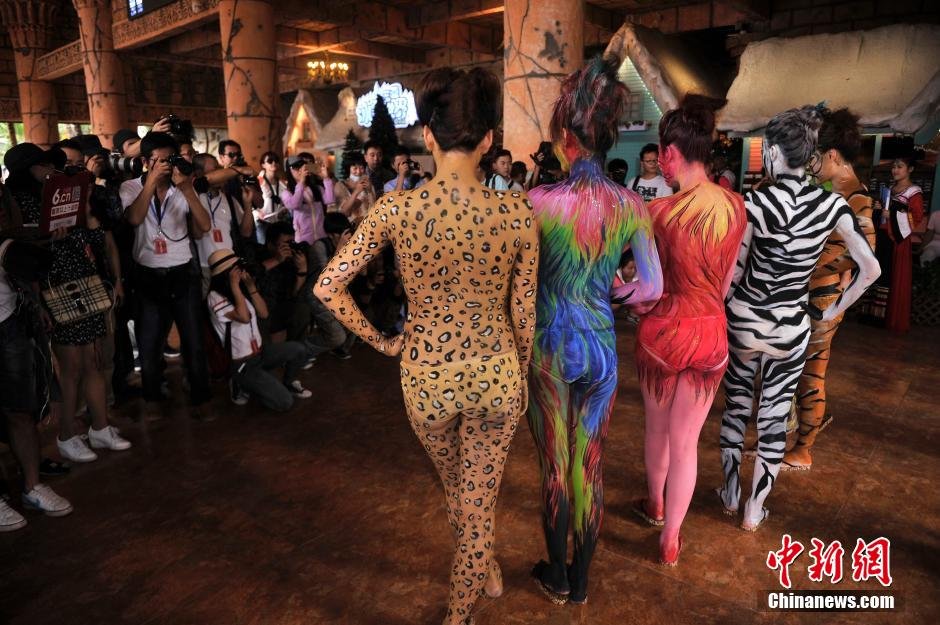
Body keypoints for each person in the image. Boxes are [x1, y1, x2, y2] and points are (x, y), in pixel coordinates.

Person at [314, 66, 538, 625]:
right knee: (477, 498)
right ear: (488, 141)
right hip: (495, 373)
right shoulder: (516, 212)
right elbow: (524, 312)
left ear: (429, 137)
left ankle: (474, 582)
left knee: (459, 492)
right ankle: (469, 595)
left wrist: (383, 342)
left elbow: (327, 286)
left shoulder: (396, 209)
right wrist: (521, 371)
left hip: (427, 376)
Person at [526, 57, 663, 605]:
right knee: (590, 465)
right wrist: (610, 295)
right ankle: (581, 583)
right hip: (601, 348)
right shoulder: (631, 205)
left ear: (567, 136)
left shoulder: (538, 203)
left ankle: (556, 575)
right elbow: (651, 287)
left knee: (555, 467)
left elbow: (520, 283)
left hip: (549, 347)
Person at [718, 105, 880, 532]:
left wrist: (723, 306)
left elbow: (735, 270)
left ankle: (730, 494)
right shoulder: (832, 206)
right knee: (773, 419)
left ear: (773, 153)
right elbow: (871, 270)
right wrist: (832, 309)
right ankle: (754, 512)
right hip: (792, 325)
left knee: (736, 408)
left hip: (745, 319)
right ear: (811, 155)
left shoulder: (753, 202)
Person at [631, 95, 746, 566]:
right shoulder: (736, 206)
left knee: (658, 431)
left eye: (662, 154)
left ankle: (654, 505)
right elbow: (723, 284)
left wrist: (625, 298)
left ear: (671, 153)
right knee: (686, 443)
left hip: (664, 333)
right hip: (711, 334)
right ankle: (671, 540)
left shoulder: (658, 212)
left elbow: (649, 289)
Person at [4, 143, 131, 462]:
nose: (51, 170)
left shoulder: (62, 195)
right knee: (71, 368)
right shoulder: (17, 202)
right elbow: (22, 252)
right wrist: (47, 237)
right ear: (26, 170)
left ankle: (100, 427)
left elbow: (94, 240)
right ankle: (66, 435)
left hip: (85, 280)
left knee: (94, 361)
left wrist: (84, 208)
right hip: (54, 287)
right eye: (43, 165)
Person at [782, 108, 877, 471]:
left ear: (833, 155)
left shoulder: (856, 198)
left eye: (815, 157)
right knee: (792, 370)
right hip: (809, 295)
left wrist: (809, 267)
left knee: (811, 374)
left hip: (822, 299)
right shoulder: (834, 192)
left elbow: (865, 254)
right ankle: (788, 436)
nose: (811, 164)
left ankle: (803, 448)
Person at [119, 132, 212, 419]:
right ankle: (152, 398)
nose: (165, 166)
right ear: (145, 162)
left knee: (194, 341)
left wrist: (185, 189)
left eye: (168, 160)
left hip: (183, 272)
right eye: (158, 160)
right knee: (149, 342)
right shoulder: (129, 187)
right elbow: (134, 218)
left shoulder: (183, 185)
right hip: (147, 274)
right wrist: (151, 182)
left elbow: (204, 226)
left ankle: (201, 398)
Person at [0, 238, 73, 529]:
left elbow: (20, 257)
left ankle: (32, 487)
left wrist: (36, 302)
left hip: (7, 321)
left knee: (19, 411)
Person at [206, 248, 311, 410]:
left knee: (299, 349)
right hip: (242, 364)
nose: (241, 272)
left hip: (260, 353)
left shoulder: (241, 290)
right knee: (285, 402)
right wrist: (234, 286)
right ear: (226, 274)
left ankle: (287, 383)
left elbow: (264, 313)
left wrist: (251, 288)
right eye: (236, 269)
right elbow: (244, 317)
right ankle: (240, 383)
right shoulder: (215, 296)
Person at [874, 156, 925, 332]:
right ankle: (873, 316)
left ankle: (889, 318)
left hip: (897, 240)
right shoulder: (890, 189)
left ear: (910, 169)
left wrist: (892, 215)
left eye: (900, 166)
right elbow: (882, 215)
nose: (895, 170)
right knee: (878, 273)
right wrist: (878, 209)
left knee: (892, 276)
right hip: (882, 237)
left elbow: (916, 218)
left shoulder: (914, 192)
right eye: (893, 166)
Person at [192, 154, 255, 294]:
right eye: (215, 169)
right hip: (204, 267)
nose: (222, 173)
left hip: (230, 266)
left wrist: (248, 204)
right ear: (199, 173)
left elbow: (246, 232)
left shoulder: (229, 200)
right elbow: (196, 234)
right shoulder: (193, 195)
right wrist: (239, 169)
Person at [255, 151, 289, 244]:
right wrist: (257, 213)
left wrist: (284, 210)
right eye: (270, 161)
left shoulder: (283, 183)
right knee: (263, 248)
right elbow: (251, 202)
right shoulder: (258, 181)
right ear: (263, 165)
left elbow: (285, 203)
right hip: (262, 222)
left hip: (278, 222)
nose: (273, 163)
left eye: (276, 160)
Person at [332, 152, 376, 224]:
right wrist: (356, 192)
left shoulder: (368, 184)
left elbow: (374, 209)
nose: (358, 172)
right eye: (355, 168)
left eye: (361, 168)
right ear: (348, 169)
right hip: (349, 226)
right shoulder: (340, 185)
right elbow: (343, 212)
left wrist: (370, 191)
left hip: (368, 225)